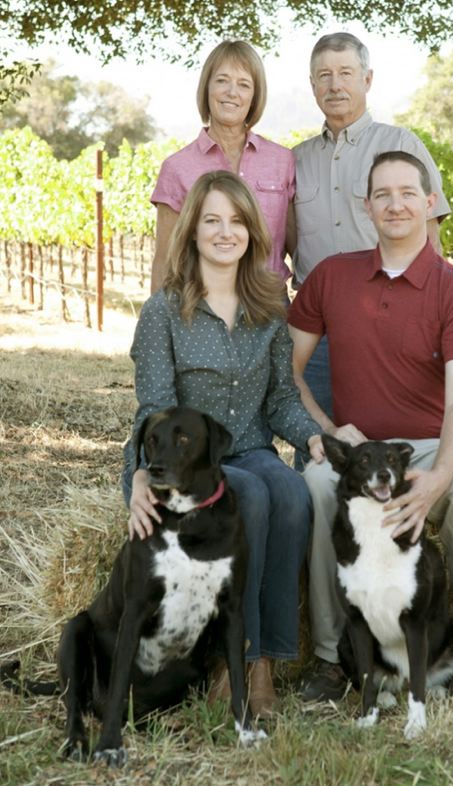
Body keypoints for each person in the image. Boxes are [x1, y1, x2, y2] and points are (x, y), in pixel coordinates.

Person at [288, 151, 453, 702]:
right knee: (315, 485)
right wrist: (330, 430)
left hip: (431, 446)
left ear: (429, 203)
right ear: (367, 206)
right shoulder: (332, 276)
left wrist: (438, 480)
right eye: (382, 194)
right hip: (359, 453)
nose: (395, 204)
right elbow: (287, 372)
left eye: (408, 192)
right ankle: (332, 656)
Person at [123, 170, 323, 716]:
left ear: (252, 232)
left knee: (291, 492)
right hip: (190, 464)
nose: (224, 232)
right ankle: (234, 657)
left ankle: (269, 660)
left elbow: (281, 401)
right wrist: (140, 473)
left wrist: (315, 436)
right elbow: (153, 411)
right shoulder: (164, 311)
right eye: (211, 220)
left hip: (252, 449)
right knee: (250, 496)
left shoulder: (269, 309)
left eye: (236, 221)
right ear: (191, 230)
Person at [288, 32, 451, 453]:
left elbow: (432, 242)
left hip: (391, 320)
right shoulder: (296, 160)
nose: (335, 85)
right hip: (316, 331)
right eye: (324, 75)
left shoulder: (401, 145)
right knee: (320, 452)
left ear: (367, 79)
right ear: (312, 84)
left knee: (397, 446)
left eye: (346, 73)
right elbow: (285, 241)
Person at [150, 40, 295, 293]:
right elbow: (165, 261)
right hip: (200, 306)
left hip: (270, 306)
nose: (232, 92)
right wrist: (157, 317)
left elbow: (299, 247)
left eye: (244, 84)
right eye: (222, 80)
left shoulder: (282, 161)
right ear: (207, 87)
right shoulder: (177, 168)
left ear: (255, 95)